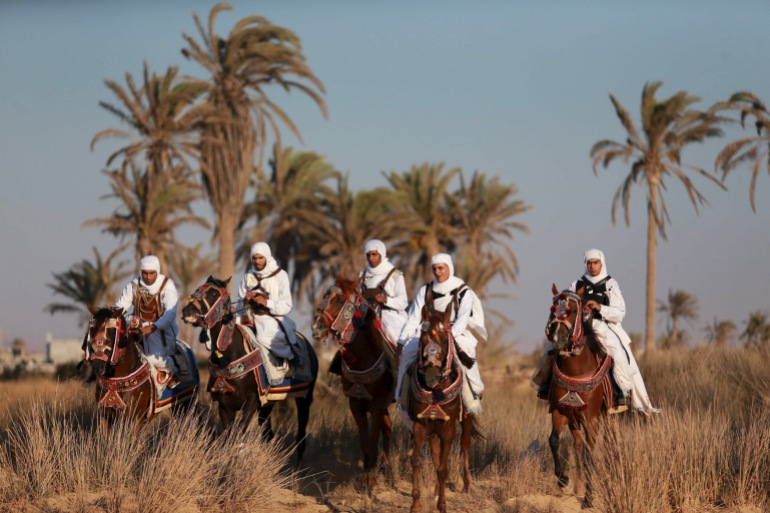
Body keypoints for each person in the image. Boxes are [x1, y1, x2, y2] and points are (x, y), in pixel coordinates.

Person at [533, 248, 659, 414]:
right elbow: (566, 302)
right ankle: (545, 385)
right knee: (551, 346)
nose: (592, 266)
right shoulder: (577, 284)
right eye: (589, 263)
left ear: (602, 263)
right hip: (578, 326)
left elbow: (620, 312)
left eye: (595, 263)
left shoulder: (610, 284)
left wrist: (600, 307)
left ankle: (622, 392)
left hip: (602, 325)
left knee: (618, 352)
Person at [395, 253, 486, 419]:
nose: (437, 272)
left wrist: (450, 335)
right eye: (434, 268)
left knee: (466, 355)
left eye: (441, 268)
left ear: (449, 268)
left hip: (454, 332)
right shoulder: (425, 290)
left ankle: (474, 393)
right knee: (407, 354)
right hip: (429, 333)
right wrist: (402, 341)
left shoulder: (463, 290)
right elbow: (414, 318)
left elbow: (463, 317)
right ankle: (401, 397)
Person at [114, 255, 179, 386]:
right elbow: (120, 307)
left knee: (150, 359)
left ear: (157, 271)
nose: (148, 277)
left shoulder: (167, 285)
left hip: (162, 330)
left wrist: (153, 327)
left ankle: (174, 369)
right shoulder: (133, 286)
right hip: (136, 329)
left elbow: (170, 313)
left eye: (151, 273)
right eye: (145, 273)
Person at [235, 242, 300, 365]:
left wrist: (266, 302)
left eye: (260, 258)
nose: (257, 261)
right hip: (248, 317)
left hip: (271, 317)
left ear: (267, 257)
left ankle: (291, 357)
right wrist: (245, 300)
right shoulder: (248, 277)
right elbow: (238, 302)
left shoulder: (280, 275)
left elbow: (287, 305)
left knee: (263, 338)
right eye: (254, 258)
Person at [359, 239, 409, 348]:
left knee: (395, 337)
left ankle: (403, 362)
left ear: (382, 253)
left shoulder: (395, 275)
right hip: (365, 316)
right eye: (368, 255)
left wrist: (386, 300)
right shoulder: (362, 276)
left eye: (374, 254)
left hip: (391, 318)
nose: (371, 258)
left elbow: (403, 302)